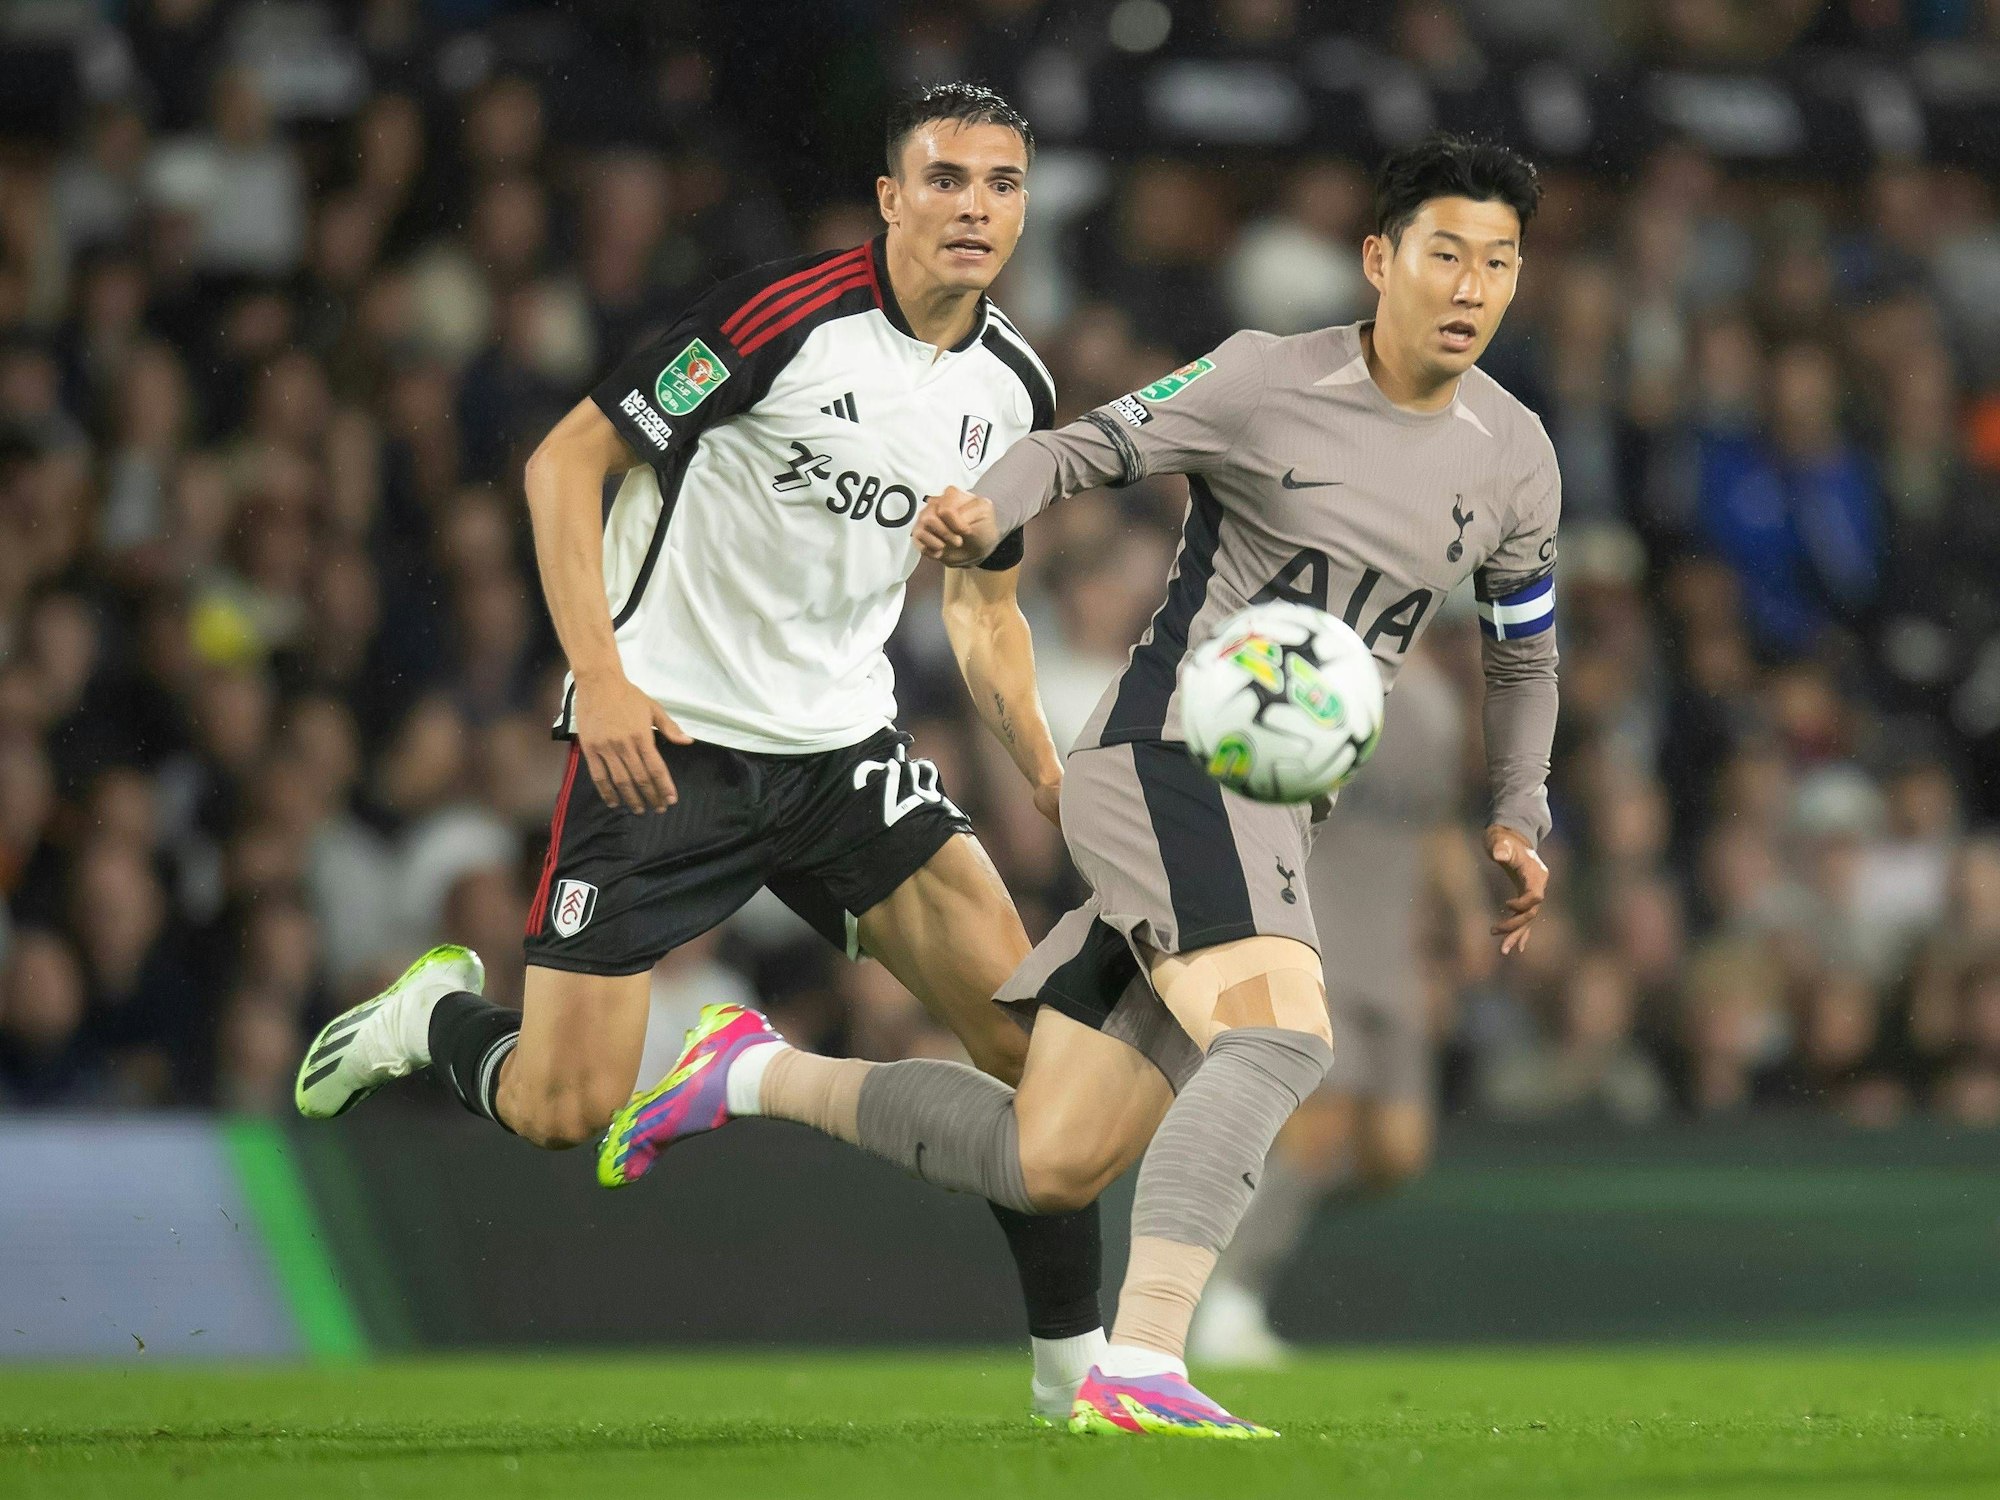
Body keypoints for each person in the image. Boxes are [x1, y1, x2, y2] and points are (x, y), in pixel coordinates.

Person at [604, 133, 1561, 1438]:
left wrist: (1520, 810)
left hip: (1277, 803)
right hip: (1171, 755)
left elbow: (1527, 654)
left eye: (1498, 263)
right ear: (1379, 259)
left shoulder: (1516, 458)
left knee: (1047, 1156)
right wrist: (989, 507)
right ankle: (1149, 1359)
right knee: (1281, 1035)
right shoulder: (1263, 378)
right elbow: (1075, 450)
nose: (1471, 285)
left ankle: (752, 1073)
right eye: (1446, 253)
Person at [293, 84, 1112, 1422]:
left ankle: (1076, 1385)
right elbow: (566, 466)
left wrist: (1046, 768)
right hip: (667, 746)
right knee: (565, 1107)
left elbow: (985, 601)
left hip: (843, 753)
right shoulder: (777, 322)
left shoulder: (1013, 384)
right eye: (947, 179)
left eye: (1003, 185)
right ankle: (432, 1018)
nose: (976, 207)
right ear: (890, 200)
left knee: (1036, 1051)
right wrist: (601, 683)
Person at [1188, 642, 1492, 1365]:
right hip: (1312, 931)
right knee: (1318, 1132)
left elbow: (1433, 823)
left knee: (1394, 1153)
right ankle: (1225, 1299)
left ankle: (1221, 1223)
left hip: (1391, 948)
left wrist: (1463, 914)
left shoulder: (1435, 706)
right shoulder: (1308, 678)